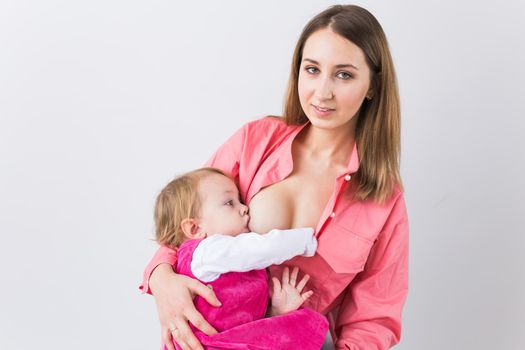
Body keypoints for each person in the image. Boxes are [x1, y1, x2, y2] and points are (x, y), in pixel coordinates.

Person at [141, 4, 409, 350]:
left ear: (372, 84)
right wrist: (162, 279)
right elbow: (185, 221)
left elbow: (374, 319)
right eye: (312, 70)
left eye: (344, 74)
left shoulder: (384, 197)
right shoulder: (255, 140)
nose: (322, 92)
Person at [153, 167, 328, 349]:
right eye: (230, 203)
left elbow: (239, 328)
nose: (244, 208)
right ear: (195, 228)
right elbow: (262, 248)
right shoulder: (207, 252)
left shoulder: (228, 263)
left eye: (240, 201)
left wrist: (275, 311)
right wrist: (306, 241)